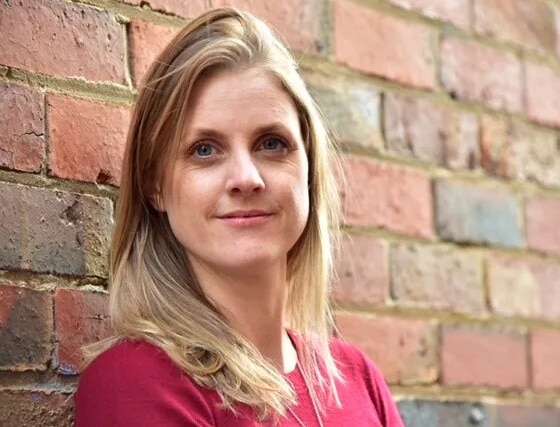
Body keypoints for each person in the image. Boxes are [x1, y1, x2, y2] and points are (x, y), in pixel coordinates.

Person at [75, 7, 404, 427]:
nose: (246, 179)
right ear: (154, 185)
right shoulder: (138, 382)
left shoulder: (357, 377)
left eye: (271, 143)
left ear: (309, 169)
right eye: (205, 150)